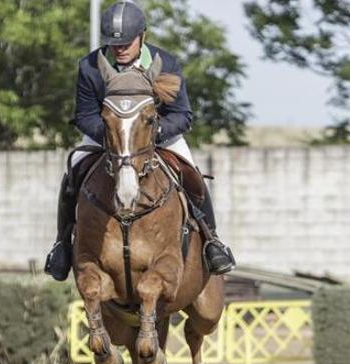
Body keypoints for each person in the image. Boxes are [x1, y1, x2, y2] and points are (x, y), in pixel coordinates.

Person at [44, 0, 235, 281]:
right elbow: (84, 115)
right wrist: (115, 136)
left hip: (157, 135)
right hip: (108, 135)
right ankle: (62, 244)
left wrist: (149, 133)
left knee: (192, 175)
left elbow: (182, 115)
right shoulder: (90, 67)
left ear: (142, 36)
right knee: (73, 173)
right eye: (114, 44)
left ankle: (212, 241)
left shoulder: (166, 64)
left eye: (126, 43)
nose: (119, 49)